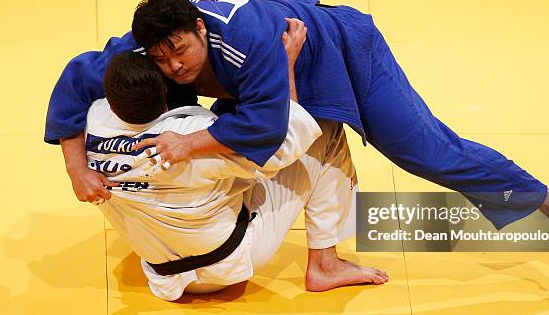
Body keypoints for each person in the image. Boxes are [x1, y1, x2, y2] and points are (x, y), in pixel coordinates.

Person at [45, 0, 549, 264]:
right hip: (279, 80)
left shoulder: (247, 40)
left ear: (199, 27)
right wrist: (75, 169)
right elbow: (74, 81)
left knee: (429, 153)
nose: (174, 67)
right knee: (299, 152)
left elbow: (267, 129)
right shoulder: (145, 45)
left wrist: (189, 142)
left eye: (181, 50)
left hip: (341, 53)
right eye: (160, 58)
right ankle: (324, 263)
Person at [89, 50, 388, 301]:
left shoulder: (91, 124)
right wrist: (285, 65)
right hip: (228, 262)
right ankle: (326, 265)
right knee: (325, 128)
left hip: (160, 271)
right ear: (165, 90)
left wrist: (76, 170)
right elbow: (285, 141)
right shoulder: (187, 140)